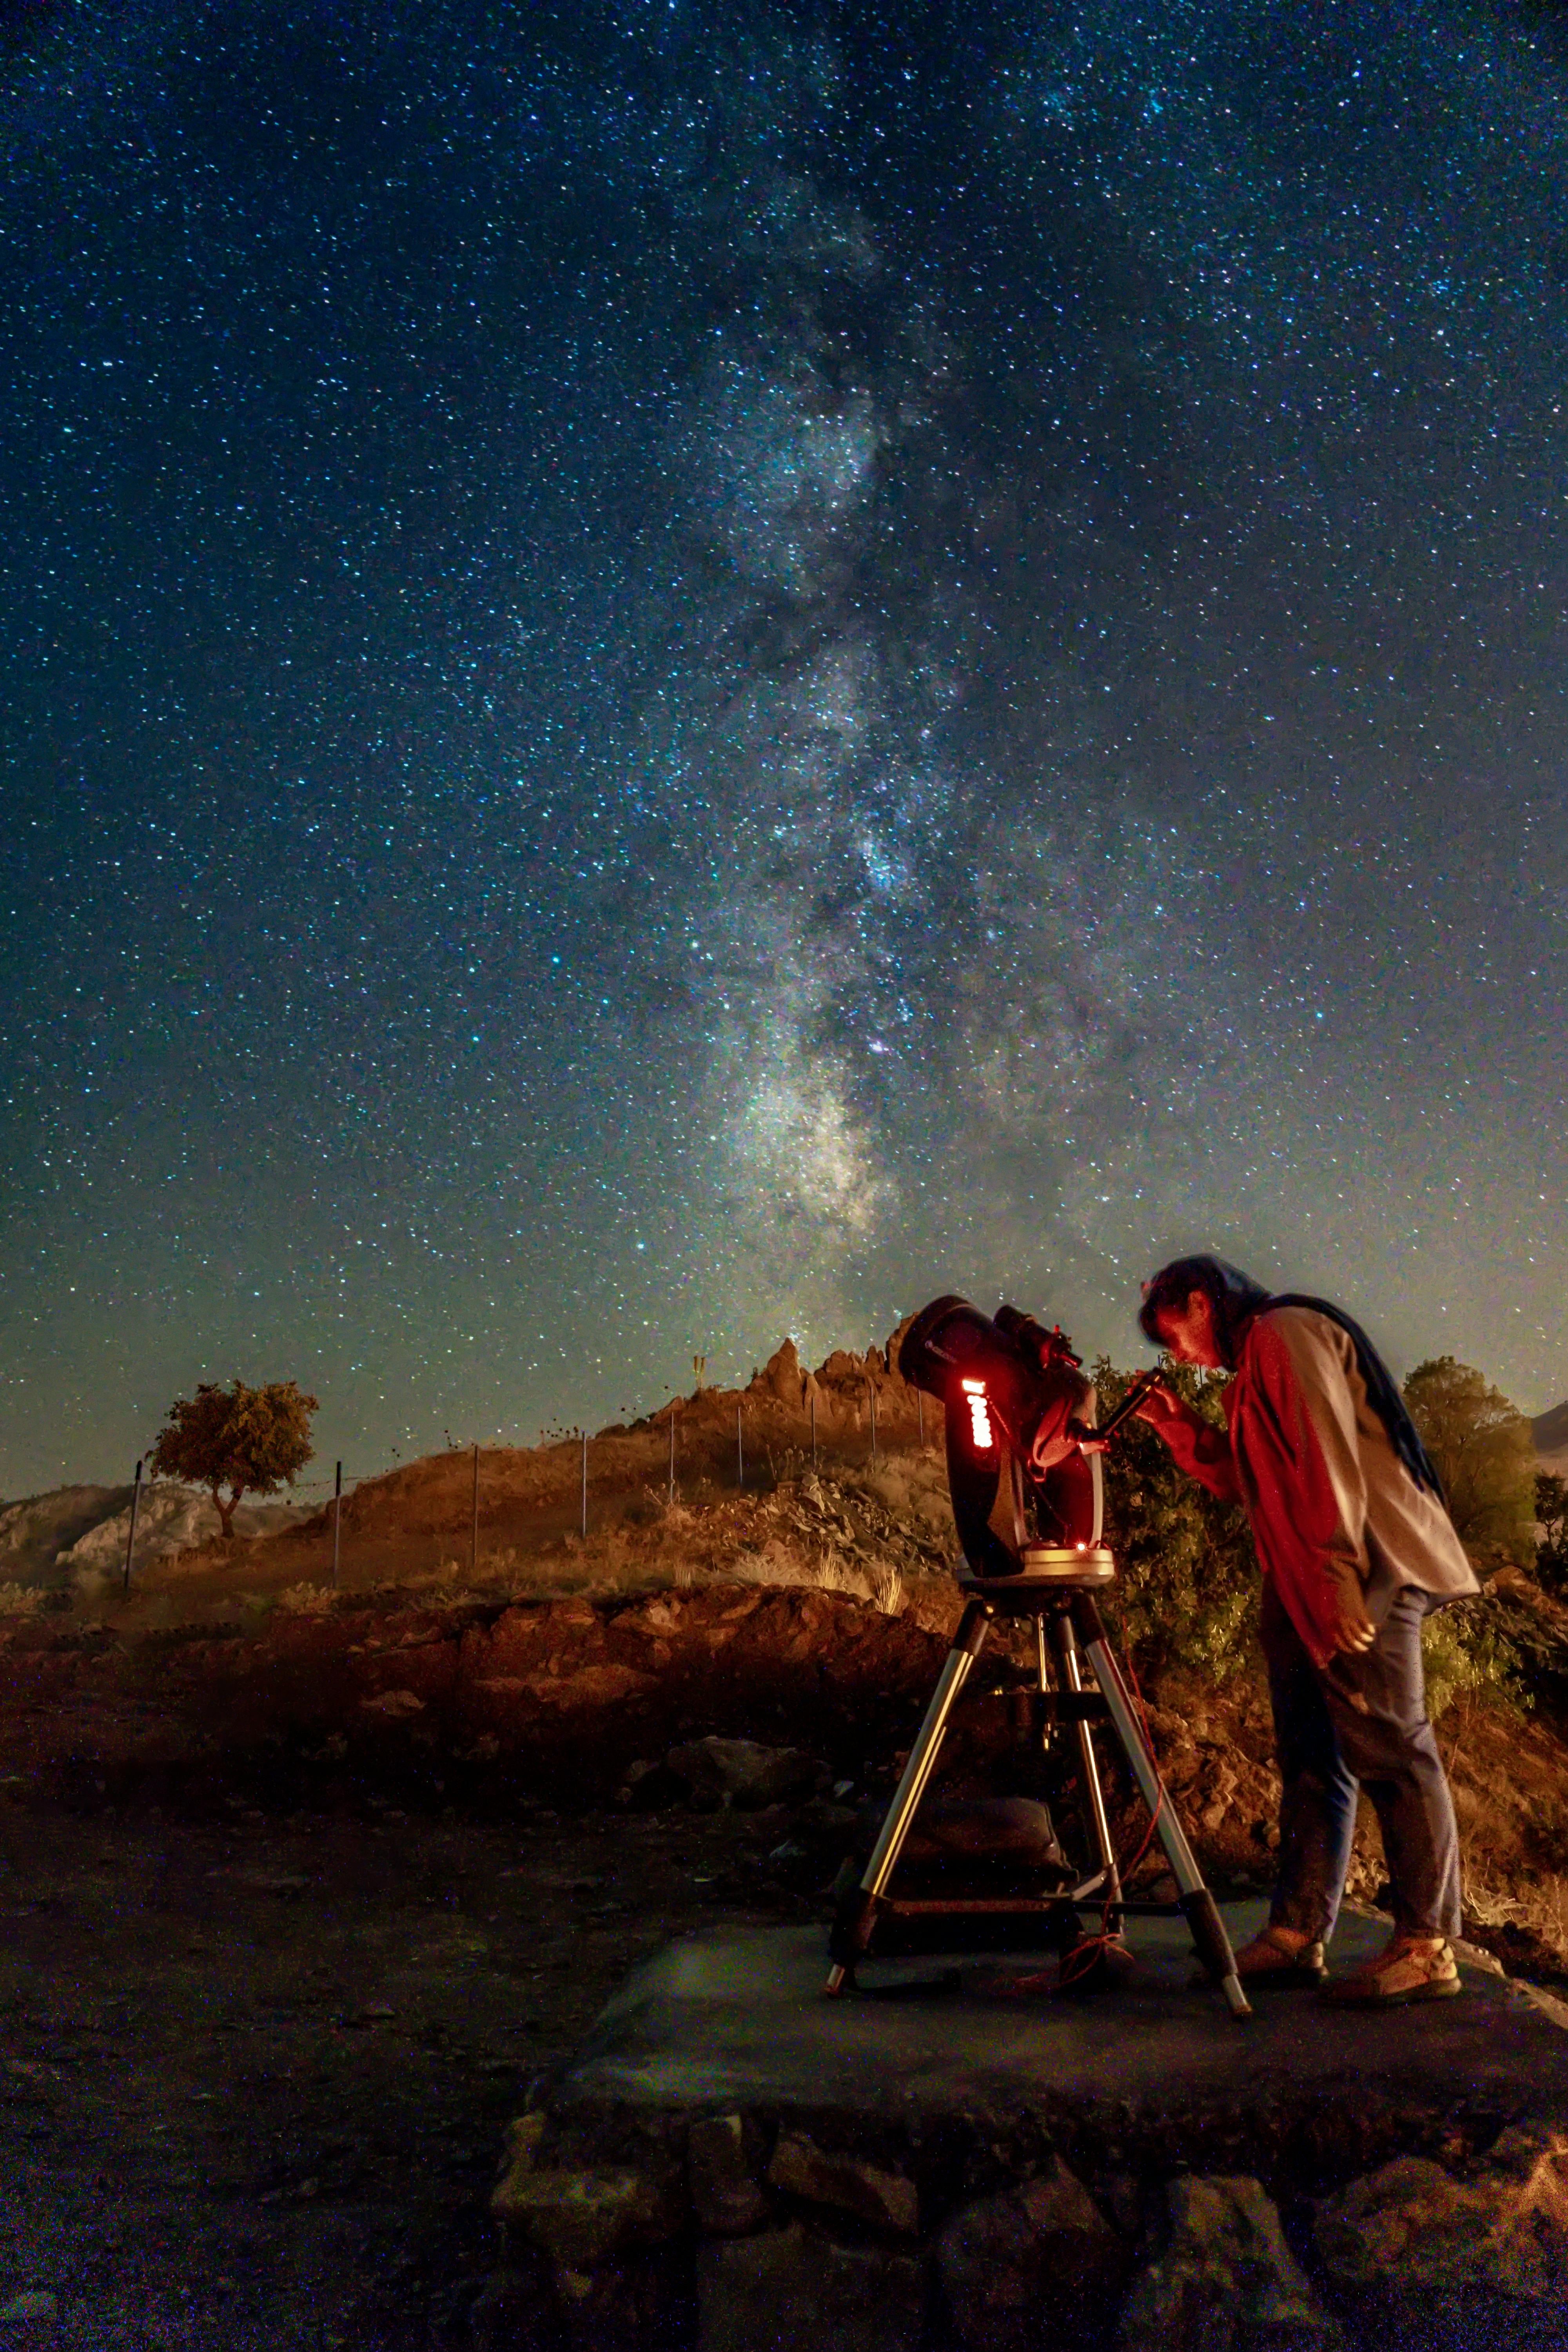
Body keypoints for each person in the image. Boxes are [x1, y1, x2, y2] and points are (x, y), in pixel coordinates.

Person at [1131, 1255, 1479, 2007]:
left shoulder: (1286, 1333)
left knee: (1392, 1747)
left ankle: (1428, 1947)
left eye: (1176, 1335)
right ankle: (1296, 1935)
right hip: (1305, 1576)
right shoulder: (1255, 1364)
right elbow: (1248, 1479)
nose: (1181, 1357)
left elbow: (1329, 1460)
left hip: (1366, 1565)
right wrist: (1176, 1427)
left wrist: (1335, 1576)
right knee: (1313, 1759)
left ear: (1202, 1301)